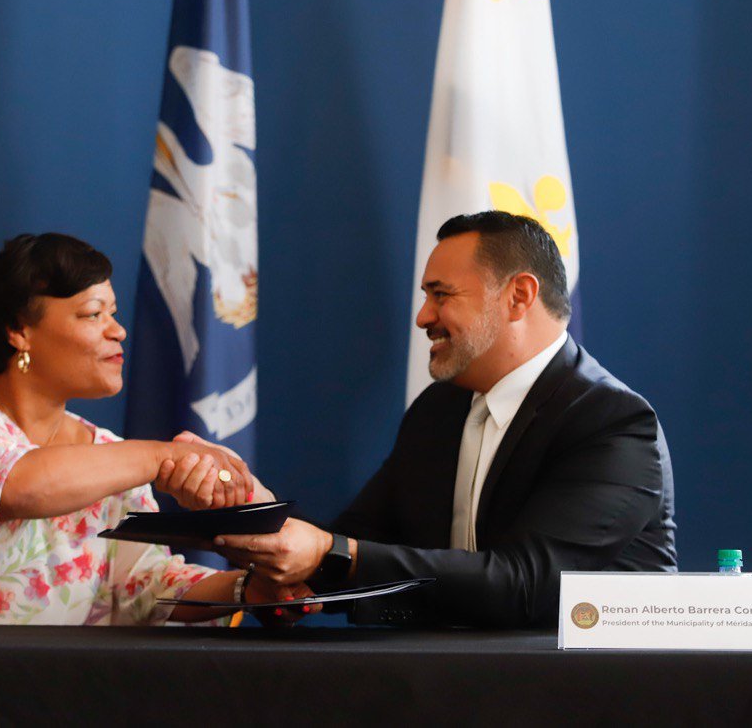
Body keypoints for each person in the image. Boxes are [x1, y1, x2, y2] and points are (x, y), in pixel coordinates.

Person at [211, 211, 677, 627]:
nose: (422, 317)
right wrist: (254, 508)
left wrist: (327, 553)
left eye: (441, 295)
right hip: (447, 681)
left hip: (583, 690)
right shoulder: (438, 411)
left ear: (518, 296)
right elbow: (357, 542)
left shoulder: (611, 423)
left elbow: (527, 585)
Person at [0, 232, 290, 625]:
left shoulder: (110, 452)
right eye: (94, 314)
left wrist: (248, 590)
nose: (118, 331)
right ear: (19, 330)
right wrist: (166, 455)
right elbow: (21, 485)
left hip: (70, 674)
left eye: (114, 313)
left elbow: (143, 586)